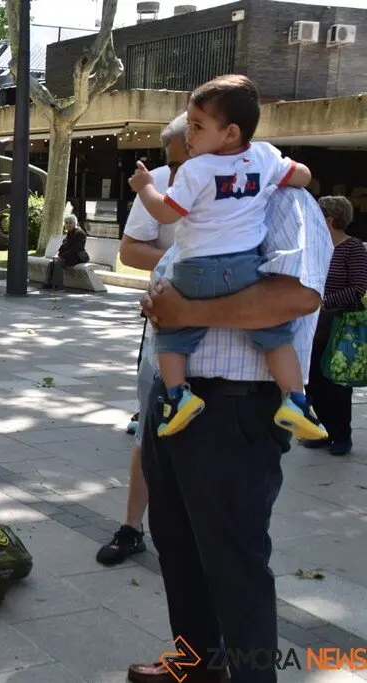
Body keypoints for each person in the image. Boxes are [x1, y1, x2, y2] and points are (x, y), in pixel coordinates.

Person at [127, 160, 333, 683]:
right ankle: (199, 663)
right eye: (177, 163)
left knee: (234, 562)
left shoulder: (285, 204)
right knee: (176, 541)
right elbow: (172, 287)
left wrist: (185, 314)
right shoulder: (203, 215)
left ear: (232, 142)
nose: (182, 175)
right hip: (176, 405)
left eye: (188, 155)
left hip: (236, 409)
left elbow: (296, 295)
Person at [128, 74, 326, 442]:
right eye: (190, 124)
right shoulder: (265, 157)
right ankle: (297, 399)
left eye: (198, 126)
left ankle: (178, 396)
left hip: (198, 276)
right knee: (274, 336)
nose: (190, 135)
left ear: (231, 132)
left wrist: (146, 189)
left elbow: (167, 214)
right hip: (243, 267)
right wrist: (279, 176)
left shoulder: (196, 170)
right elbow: (302, 174)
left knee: (171, 332)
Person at [97, 112, 189, 567]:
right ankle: (132, 527)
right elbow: (129, 249)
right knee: (150, 430)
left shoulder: (247, 181)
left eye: (179, 160)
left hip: (226, 339)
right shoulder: (158, 184)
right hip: (166, 330)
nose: (173, 172)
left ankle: (198, 534)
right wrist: (181, 264)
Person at [304, 195, 367, 456]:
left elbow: (359, 287)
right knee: (313, 382)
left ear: (329, 220)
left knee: (336, 384)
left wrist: (323, 303)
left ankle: (342, 435)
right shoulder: (314, 247)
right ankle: (325, 430)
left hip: (339, 325)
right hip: (312, 324)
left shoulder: (353, 248)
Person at [40, 214, 88, 290]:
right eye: (66, 223)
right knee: (52, 262)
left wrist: (61, 256)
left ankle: (58, 285)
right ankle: (48, 283)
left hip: (77, 256)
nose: (68, 224)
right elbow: (63, 247)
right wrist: (57, 255)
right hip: (69, 256)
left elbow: (74, 249)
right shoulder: (69, 233)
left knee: (59, 262)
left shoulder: (79, 233)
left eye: (70, 223)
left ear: (74, 223)